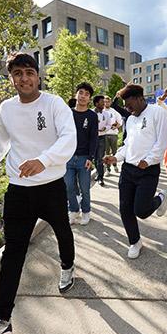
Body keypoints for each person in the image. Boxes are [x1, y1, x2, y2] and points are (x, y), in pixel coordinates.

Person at [0, 53, 76, 334]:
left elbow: (68, 138)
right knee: (12, 252)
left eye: (28, 72)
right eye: (17, 74)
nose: (23, 78)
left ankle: (67, 266)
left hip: (51, 187)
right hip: (18, 191)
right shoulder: (6, 109)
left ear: (38, 75)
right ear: (11, 78)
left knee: (63, 231)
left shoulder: (54, 103)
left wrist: (43, 160)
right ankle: (1, 320)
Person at [104, 84, 167, 259]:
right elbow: (127, 145)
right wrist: (115, 158)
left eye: (129, 103)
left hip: (148, 170)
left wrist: (148, 161)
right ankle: (135, 241)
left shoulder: (157, 112)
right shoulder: (131, 119)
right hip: (128, 170)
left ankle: (161, 197)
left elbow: (162, 142)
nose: (127, 108)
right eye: (125, 104)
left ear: (140, 98)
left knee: (141, 210)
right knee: (125, 209)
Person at [65, 82, 98, 226]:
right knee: (69, 186)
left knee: (85, 188)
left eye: (87, 94)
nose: (83, 96)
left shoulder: (91, 116)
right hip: (68, 157)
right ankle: (73, 210)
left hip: (84, 158)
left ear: (89, 98)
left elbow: (94, 138)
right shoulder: (67, 113)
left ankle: (86, 211)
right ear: (76, 94)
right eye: (81, 92)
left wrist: (91, 157)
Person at [103, 96, 123, 176]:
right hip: (105, 134)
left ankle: (115, 166)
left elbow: (120, 121)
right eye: (105, 101)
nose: (106, 103)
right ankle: (108, 169)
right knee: (106, 153)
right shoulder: (102, 111)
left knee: (115, 152)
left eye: (108, 101)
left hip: (113, 134)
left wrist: (117, 126)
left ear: (110, 102)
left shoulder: (114, 111)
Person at [93, 95, 109, 187]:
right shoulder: (91, 113)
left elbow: (109, 124)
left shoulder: (106, 114)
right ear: (96, 103)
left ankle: (100, 178)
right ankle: (98, 174)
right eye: (102, 102)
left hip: (102, 138)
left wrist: (105, 128)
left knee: (100, 158)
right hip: (92, 138)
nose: (104, 104)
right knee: (95, 158)